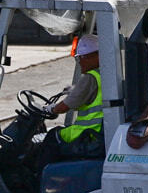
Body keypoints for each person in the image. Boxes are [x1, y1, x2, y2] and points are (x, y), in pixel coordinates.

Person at [33, 34, 105, 178]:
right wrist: (74, 90)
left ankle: (37, 181)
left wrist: (49, 108)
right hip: (99, 134)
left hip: (88, 135)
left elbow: (64, 107)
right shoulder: (105, 75)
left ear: (95, 56)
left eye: (82, 58)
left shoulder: (90, 77)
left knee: (52, 138)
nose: (79, 63)